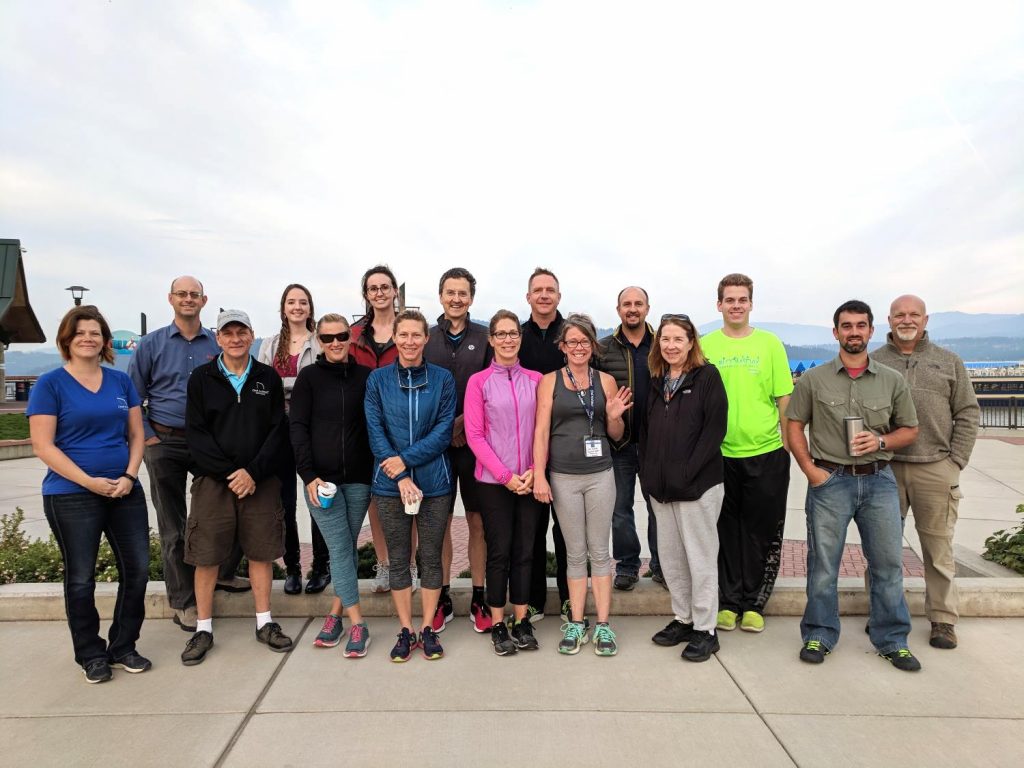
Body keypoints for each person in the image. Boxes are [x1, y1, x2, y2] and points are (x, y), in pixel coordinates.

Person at [786, 300, 922, 672]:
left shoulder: (891, 380)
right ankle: (819, 633)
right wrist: (810, 470)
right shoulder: (814, 380)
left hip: (879, 481)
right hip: (830, 482)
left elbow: (910, 429)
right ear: (835, 333)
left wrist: (880, 442)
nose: (854, 332)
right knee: (823, 564)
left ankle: (892, 639)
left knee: (888, 564)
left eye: (861, 325)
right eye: (846, 326)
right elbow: (793, 424)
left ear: (872, 331)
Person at [28, 305, 151, 683]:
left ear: (105, 341)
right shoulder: (50, 384)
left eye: (95, 333)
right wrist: (88, 481)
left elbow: (136, 435)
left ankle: (123, 645)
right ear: (67, 339)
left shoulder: (119, 382)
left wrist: (129, 476)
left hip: (124, 489)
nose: (88, 338)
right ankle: (90, 653)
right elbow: (43, 446)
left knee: (139, 570)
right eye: (80, 332)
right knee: (81, 577)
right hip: (71, 494)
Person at [128, 276, 246, 635]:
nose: (189, 299)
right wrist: (147, 437)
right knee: (173, 525)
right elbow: (133, 396)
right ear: (171, 299)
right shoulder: (151, 345)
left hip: (209, 443)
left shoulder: (218, 342)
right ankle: (183, 601)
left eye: (195, 295)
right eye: (182, 294)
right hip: (166, 441)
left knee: (229, 509)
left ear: (204, 300)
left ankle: (222, 574)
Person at [180, 310, 292, 666]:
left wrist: (252, 473)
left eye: (241, 331)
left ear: (251, 334)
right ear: (219, 338)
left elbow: (278, 431)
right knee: (207, 555)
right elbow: (196, 434)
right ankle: (203, 627)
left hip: (260, 481)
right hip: (215, 482)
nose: (235, 338)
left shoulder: (267, 378)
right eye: (227, 332)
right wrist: (232, 473)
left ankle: (264, 622)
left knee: (261, 553)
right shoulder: (202, 378)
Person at [873, 294, 980, 650]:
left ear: (925, 319)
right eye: (899, 315)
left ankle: (942, 620)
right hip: (886, 469)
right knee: (883, 550)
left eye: (913, 314)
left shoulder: (948, 362)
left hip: (936, 468)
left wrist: (956, 460)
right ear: (889, 321)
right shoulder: (874, 362)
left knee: (937, 550)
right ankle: (884, 614)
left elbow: (967, 412)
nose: (907, 320)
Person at [533, 313, 632, 656]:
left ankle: (603, 624)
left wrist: (616, 417)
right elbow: (541, 432)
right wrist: (540, 474)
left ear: (593, 346)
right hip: (563, 477)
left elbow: (615, 435)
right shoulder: (549, 382)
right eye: (571, 342)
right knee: (575, 554)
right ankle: (576, 621)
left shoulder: (605, 381)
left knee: (600, 552)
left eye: (584, 342)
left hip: (600, 475)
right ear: (562, 347)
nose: (578, 347)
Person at [701, 273, 793, 633]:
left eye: (742, 299)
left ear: (751, 303)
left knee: (761, 531)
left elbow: (784, 398)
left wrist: (786, 446)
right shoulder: (706, 346)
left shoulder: (769, 344)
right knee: (723, 531)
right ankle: (728, 602)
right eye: (729, 299)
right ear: (719, 304)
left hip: (766, 452)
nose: (736, 305)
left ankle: (754, 603)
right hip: (718, 455)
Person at [364, 310, 456, 662]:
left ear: (426, 338)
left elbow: (443, 431)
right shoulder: (378, 380)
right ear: (395, 338)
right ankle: (406, 630)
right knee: (399, 559)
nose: (409, 342)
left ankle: (428, 629)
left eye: (416, 335)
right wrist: (400, 475)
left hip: (435, 483)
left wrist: (408, 461)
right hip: (389, 485)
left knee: (430, 557)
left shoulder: (443, 379)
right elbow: (376, 431)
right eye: (403, 335)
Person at [640, 314, 729, 662]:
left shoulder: (707, 377)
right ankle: (684, 618)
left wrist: (689, 472)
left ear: (691, 342)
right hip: (661, 489)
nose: (671, 345)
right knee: (673, 559)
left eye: (678, 339)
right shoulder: (656, 380)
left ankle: (706, 629)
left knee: (700, 557)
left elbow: (714, 431)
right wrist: (648, 475)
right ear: (658, 344)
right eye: (665, 339)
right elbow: (645, 433)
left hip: (697, 487)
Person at [290, 313, 374, 657]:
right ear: (318, 342)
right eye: (327, 338)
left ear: (349, 338)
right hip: (321, 483)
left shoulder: (367, 377)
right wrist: (308, 475)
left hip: (359, 478)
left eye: (341, 336)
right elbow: (297, 428)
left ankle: (335, 614)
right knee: (340, 548)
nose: (336, 343)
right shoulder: (308, 378)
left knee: (346, 548)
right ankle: (359, 623)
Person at [465, 310, 546, 655]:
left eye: (513, 333)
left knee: (525, 552)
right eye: (501, 334)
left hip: (530, 478)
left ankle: (522, 619)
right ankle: (498, 622)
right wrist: (505, 476)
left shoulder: (537, 379)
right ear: (492, 339)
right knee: (499, 553)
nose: (508, 339)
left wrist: (533, 470)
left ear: (520, 337)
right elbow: (475, 435)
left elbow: (544, 431)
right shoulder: (478, 382)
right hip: (493, 482)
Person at [424, 267, 492, 633]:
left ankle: (479, 596)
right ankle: (444, 596)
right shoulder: (428, 339)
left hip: (474, 445)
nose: (456, 299)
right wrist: (443, 430)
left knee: (478, 523)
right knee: (441, 524)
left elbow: (489, 387)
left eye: (462, 293)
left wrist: (464, 424)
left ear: (471, 298)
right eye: (450, 292)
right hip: (437, 448)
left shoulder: (485, 338)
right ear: (440, 296)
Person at [257, 283, 329, 595]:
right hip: (279, 431)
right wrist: (297, 385)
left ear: (310, 307)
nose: (297, 307)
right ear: (283, 308)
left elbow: (323, 383)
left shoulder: (321, 342)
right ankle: (293, 568)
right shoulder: (271, 345)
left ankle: (321, 567)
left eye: (302, 302)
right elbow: (260, 386)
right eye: (291, 302)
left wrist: (288, 386)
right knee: (285, 502)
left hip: (314, 429)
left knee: (318, 499)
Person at [594, 286, 663, 591]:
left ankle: (662, 565)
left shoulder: (664, 344)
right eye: (626, 304)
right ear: (618, 309)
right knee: (620, 509)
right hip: (618, 445)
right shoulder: (603, 349)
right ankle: (628, 565)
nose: (632, 309)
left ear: (647, 308)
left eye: (638, 303)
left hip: (657, 445)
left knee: (658, 507)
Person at [348, 265, 408, 594]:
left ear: (395, 291)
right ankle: (385, 565)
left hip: (404, 425)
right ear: (366, 294)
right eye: (373, 288)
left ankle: (408, 565)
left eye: (385, 287)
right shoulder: (356, 334)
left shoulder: (408, 329)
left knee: (408, 495)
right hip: (365, 427)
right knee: (376, 498)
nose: (380, 293)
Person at [518, 267, 569, 623]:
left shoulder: (573, 335)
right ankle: (533, 600)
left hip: (566, 447)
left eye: (550, 289)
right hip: (526, 448)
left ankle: (570, 600)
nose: (544, 295)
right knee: (531, 532)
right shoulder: (515, 337)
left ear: (559, 296)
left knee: (567, 532)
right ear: (529, 297)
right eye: (538, 290)